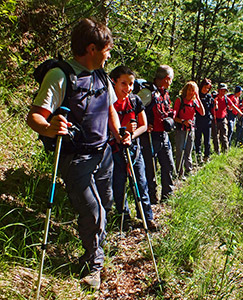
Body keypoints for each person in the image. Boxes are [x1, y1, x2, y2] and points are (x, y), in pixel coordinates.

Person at [26, 18, 130, 290]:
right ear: (92, 48)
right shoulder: (60, 76)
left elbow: (110, 110)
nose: (109, 55)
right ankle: (93, 264)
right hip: (76, 158)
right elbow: (34, 116)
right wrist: (49, 128)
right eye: (106, 50)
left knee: (104, 203)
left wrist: (118, 133)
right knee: (92, 209)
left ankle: (97, 246)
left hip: (103, 152)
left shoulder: (101, 77)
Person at [109, 66, 156, 230]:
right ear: (113, 81)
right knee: (119, 186)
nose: (127, 88)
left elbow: (143, 126)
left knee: (141, 183)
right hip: (114, 150)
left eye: (130, 84)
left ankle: (146, 217)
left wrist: (132, 134)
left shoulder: (135, 100)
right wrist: (123, 133)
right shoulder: (108, 102)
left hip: (134, 149)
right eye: (123, 83)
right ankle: (123, 218)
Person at [138, 65, 175, 204]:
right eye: (170, 79)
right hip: (150, 137)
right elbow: (132, 109)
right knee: (150, 169)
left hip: (163, 136)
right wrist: (143, 124)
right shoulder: (147, 93)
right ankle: (152, 198)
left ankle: (167, 196)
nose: (170, 82)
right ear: (166, 79)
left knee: (168, 165)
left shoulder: (164, 93)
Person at [174, 81, 205, 176]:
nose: (191, 92)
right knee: (180, 150)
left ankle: (189, 169)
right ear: (185, 90)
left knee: (188, 150)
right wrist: (183, 121)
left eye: (193, 90)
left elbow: (202, 113)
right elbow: (174, 117)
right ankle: (179, 172)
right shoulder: (180, 100)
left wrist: (198, 98)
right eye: (189, 90)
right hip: (180, 128)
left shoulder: (194, 101)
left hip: (190, 129)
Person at [212, 83, 243, 153]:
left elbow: (233, 106)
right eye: (222, 90)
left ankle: (225, 152)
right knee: (215, 136)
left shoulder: (226, 99)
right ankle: (217, 151)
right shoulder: (214, 98)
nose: (223, 92)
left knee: (224, 136)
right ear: (218, 90)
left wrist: (240, 113)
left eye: (224, 91)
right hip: (215, 120)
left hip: (223, 119)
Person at [194, 78, 214, 162]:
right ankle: (198, 156)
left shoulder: (209, 97)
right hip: (198, 121)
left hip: (207, 121)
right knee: (198, 139)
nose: (206, 90)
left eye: (208, 88)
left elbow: (211, 109)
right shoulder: (196, 96)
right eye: (205, 88)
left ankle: (207, 155)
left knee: (207, 140)